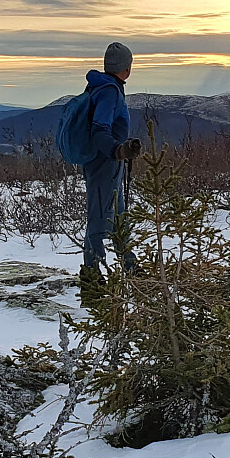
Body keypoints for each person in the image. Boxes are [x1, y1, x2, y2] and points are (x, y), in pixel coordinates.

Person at [80, 42, 143, 290]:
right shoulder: (108, 92)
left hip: (108, 163)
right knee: (98, 218)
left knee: (118, 217)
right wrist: (118, 150)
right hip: (103, 164)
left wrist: (121, 148)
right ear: (125, 68)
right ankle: (92, 276)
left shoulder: (104, 87)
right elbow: (99, 131)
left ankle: (130, 266)